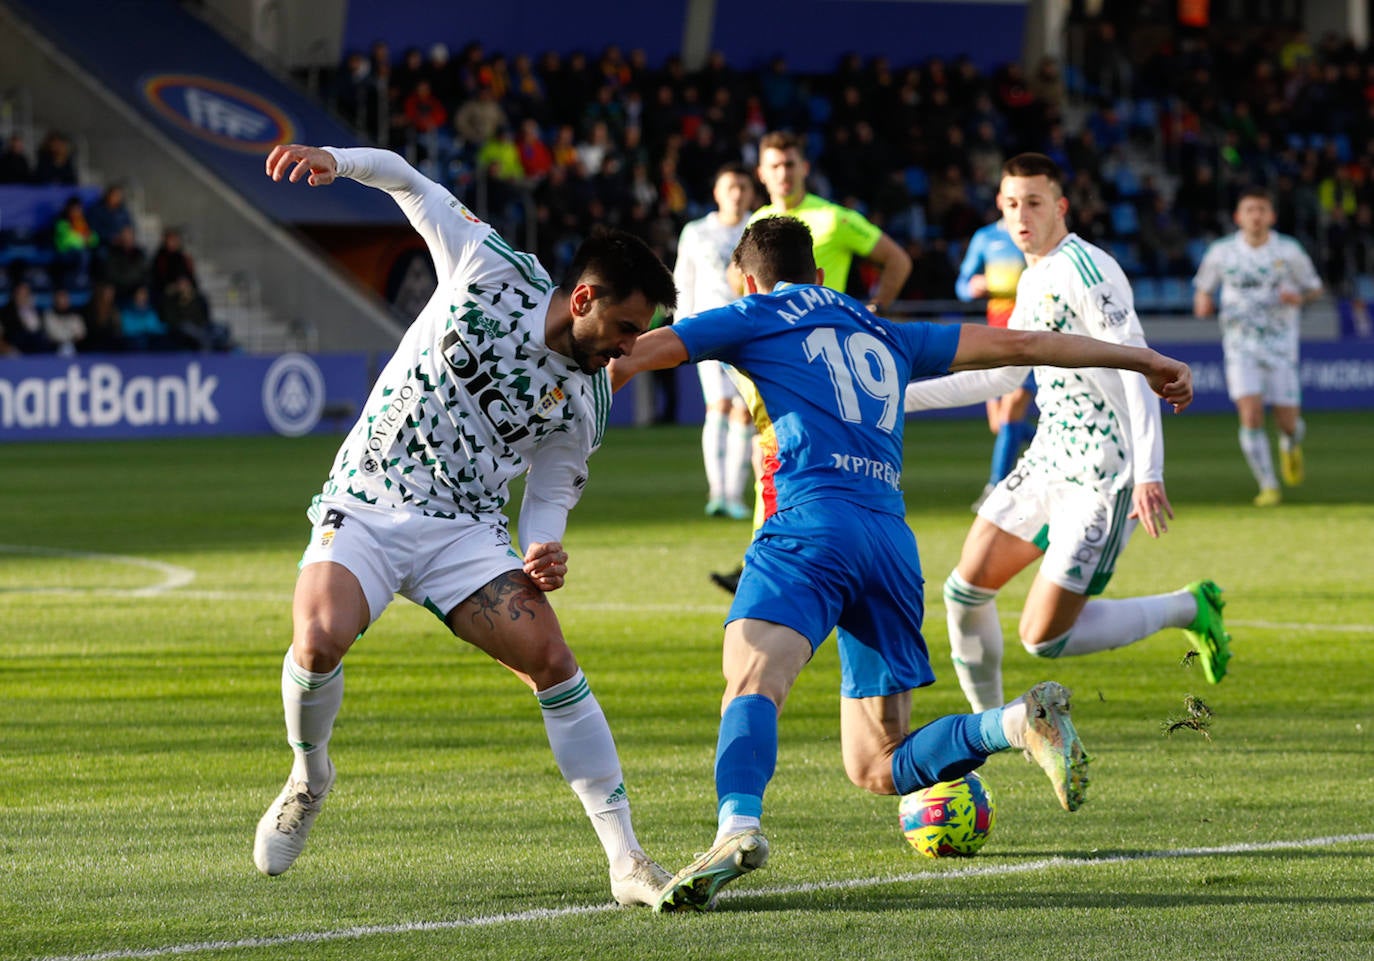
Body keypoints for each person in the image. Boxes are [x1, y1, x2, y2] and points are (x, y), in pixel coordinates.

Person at [608, 214, 1195, 912]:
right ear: (822, 274)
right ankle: (1015, 722)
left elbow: (634, 354)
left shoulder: (753, 312)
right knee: (877, 761)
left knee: (752, 679)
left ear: (746, 277)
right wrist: (1145, 360)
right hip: (888, 542)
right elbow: (1025, 342)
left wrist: (560, 399)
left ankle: (737, 825)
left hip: (810, 525)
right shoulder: (881, 327)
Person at [254, 143, 679, 907]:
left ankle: (627, 859)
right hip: (372, 493)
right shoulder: (490, 267)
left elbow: (551, 492)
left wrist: (544, 542)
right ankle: (309, 773)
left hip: (463, 534)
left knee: (551, 656)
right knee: (317, 641)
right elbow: (411, 183)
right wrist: (336, 162)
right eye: (623, 326)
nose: (629, 346)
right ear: (582, 298)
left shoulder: (587, 402)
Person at [903, 153, 1232, 717]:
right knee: (963, 592)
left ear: (1060, 206)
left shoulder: (1088, 270)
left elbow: (1141, 364)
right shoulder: (1032, 278)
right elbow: (1004, 376)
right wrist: (895, 399)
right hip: (1048, 461)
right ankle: (993, 735)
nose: (1021, 215)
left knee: (1044, 637)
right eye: (1010, 204)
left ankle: (1188, 607)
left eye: (1033, 202)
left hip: (1105, 475)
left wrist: (1149, 472)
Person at [707, 131, 915, 592]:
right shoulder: (759, 220)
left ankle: (775, 564)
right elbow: (733, 276)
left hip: (829, 363)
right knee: (777, 452)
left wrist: (874, 309)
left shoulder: (834, 219)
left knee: (801, 457)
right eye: (774, 165)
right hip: (777, 362)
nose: (782, 173)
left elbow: (896, 259)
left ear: (804, 168)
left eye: (790, 164)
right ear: (761, 173)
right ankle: (770, 559)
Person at [1193, 187, 1323, 507]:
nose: (1256, 216)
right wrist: (1203, 304)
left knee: (1288, 423)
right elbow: (1203, 291)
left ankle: (1290, 445)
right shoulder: (1221, 253)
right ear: (1239, 217)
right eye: (1250, 210)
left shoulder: (1289, 251)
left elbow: (1315, 288)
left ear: (1271, 216)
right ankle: (1268, 484)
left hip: (1281, 347)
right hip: (1240, 348)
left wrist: (1300, 298)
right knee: (1250, 415)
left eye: (1262, 209)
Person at [674, 162, 757, 520]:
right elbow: (683, 280)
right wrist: (680, 329)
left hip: (750, 331)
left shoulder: (758, 226)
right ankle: (718, 492)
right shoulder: (696, 231)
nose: (736, 194)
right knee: (719, 406)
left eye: (742, 187)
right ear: (717, 193)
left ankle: (733, 496)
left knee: (744, 412)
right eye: (730, 187)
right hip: (706, 329)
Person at [955, 199, 1035, 511]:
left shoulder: (1035, 238)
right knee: (1001, 425)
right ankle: (1058, 442)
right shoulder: (986, 238)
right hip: (994, 336)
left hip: (1029, 336)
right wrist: (971, 286)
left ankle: (997, 489)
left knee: (1012, 409)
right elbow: (961, 284)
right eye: (1012, 200)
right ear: (1001, 201)